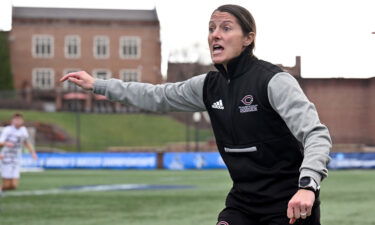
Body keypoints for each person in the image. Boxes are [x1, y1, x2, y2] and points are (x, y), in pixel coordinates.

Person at [60, 4, 331, 225]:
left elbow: (316, 134)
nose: (215, 35)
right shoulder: (207, 86)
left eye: (226, 28)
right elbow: (157, 96)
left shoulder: (273, 81)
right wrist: (98, 84)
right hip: (243, 204)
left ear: (248, 39)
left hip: (291, 205)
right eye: (212, 29)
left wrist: (308, 186)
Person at [0, 113, 38, 191]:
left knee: (13, 186)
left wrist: (33, 153)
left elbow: (26, 142)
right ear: (12, 121)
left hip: (16, 158)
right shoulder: (7, 130)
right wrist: (7, 143)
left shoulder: (23, 130)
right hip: (6, 158)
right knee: (7, 184)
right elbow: (0, 142)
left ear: (22, 121)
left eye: (19, 120)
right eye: (16, 120)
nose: (18, 121)